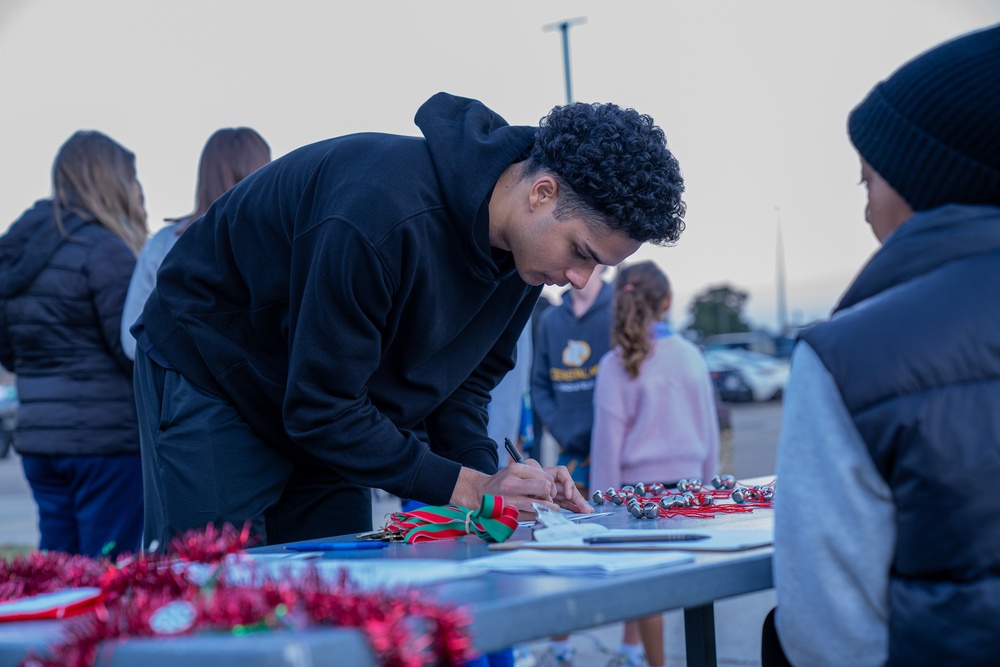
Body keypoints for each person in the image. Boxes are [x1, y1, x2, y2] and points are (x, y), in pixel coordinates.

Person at [132, 92, 687, 550]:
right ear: (542, 194)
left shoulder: (528, 259)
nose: (582, 279)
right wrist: (468, 489)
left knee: (336, 587)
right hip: (216, 372)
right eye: (583, 252)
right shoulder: (377, 213)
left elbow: (463, 389)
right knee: (213, 586)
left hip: (332, 409)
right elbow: (320, 407)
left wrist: (495, 483)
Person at [764, 25, 1000, 667]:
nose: (866, 210)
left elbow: (828, 640)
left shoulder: (850, 359)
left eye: (867, 180)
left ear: (931, 179)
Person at [0, 131, 148, 558]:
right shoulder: (104, 251)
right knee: (107, 572)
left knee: (58, 570)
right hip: (106, 445)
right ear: (110, 180)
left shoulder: (16, 252)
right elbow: (132, 349)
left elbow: (9, 351)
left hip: (41, 443)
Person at [590, 261, 719, 667]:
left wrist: (602, 506)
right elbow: (709, 429)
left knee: (647, 588)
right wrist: (711, 488)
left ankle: (652, 662)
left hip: (636, 497)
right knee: (691, 592)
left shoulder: (615, 364)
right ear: (666, 302)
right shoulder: (691, 355)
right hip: (690, 491)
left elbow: (607, 442)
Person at [120, 127, 271, 359]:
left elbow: (133, 342)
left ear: (206, 175)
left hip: (186, 388)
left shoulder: (164, 244)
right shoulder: (281, 244)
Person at [531, 265, 613, 492]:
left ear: (604, 263)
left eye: (589, 258)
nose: (580, 264)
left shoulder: (619, 311)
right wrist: (558, 425)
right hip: (569, 452)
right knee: (573, 516)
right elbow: (539, 384)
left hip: (614, 451)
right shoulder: (550, 320)